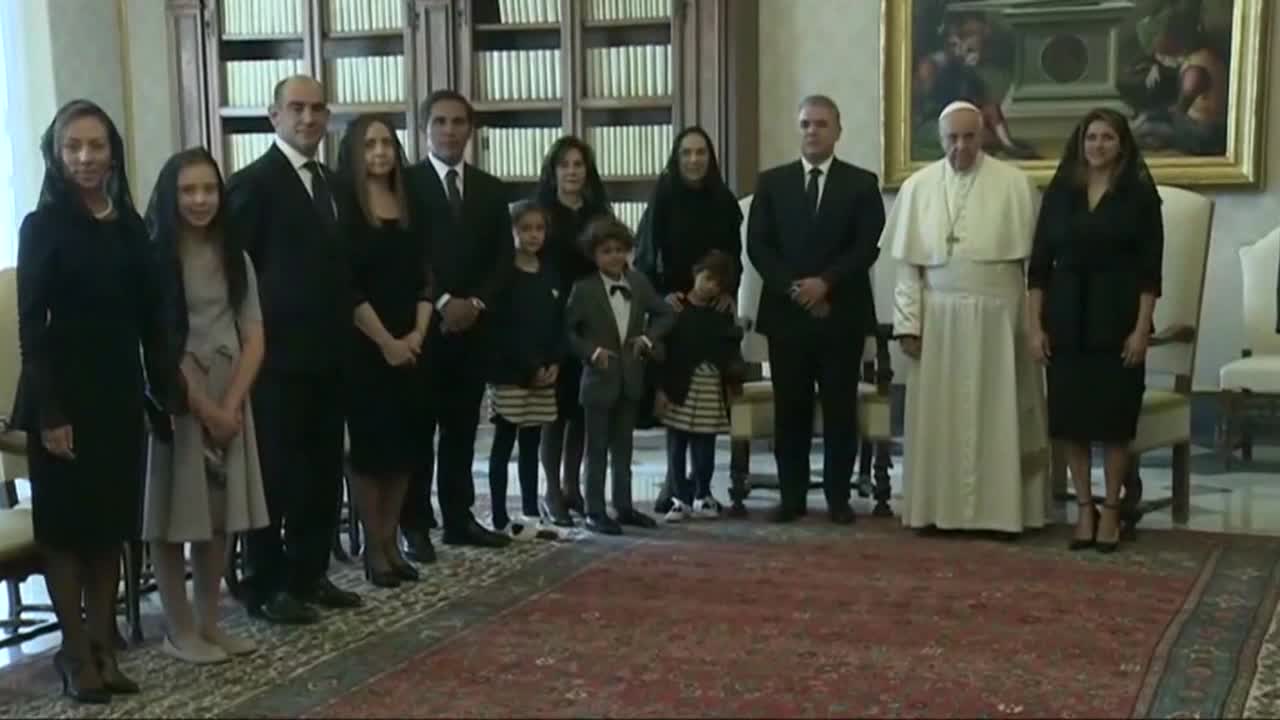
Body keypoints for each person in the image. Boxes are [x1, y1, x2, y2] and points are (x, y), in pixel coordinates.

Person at [16, 99, 171, 702]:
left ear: (113, 153)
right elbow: (32, 326)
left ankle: (104, 646)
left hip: (117, 395)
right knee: (66, 535)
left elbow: (150, 319)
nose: (85, 157)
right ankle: (75, 653)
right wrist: (50, 415)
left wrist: (163, 391)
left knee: (110, 530)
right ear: (57, 155)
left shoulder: (131, 225)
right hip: (61, 397)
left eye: (96, 146)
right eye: (73, 146)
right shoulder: (42, 225)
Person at [226, 75, 361, 624]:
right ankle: (265, 584)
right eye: (296, 108)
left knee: (321, 472)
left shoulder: (332, 183)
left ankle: (310, 573)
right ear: (273, 115)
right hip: (274, 362)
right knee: (275, 478)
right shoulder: (252, 184)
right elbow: (234, 274)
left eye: (318, 109)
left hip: (329, 358)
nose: (308, 118)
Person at [883, 100, 1050, 536]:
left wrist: (1032, 324)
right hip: (938, 320)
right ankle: (938, 510)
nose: (960, 146)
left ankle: (1005, 513)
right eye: (952, 138)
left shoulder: (1015, 184)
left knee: (1001, 412)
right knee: (942, 418)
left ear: (984, 136)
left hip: (1001, 319)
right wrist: (907, 324)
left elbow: (1035, 268)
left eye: (969, 137)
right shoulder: (918, 187)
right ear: (941, 140)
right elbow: (908, 268)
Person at [143, 148, 269, 664]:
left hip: (230, 390)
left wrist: (232, 404)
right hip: (178, 394)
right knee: (177, 516)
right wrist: (205, 409)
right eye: (188, 190)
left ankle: (210, 623)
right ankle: (178, 630)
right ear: (171, 196)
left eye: (208, 189)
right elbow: (156, 344)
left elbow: (255, 335)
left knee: (219, 516)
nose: (200, 200)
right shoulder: (156, 257)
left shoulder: (235, 255)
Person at [1028, 108, 1163, 552]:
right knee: (1072, 423)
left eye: (1107, 137)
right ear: (1080, 143)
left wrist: (1142, 329)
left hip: (1117, 319)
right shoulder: (1060, 194)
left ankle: (1110, 509)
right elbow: (1039, 268)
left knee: (1113, 422)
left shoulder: (1141, 197)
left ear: (1121, 144)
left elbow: (1150, 272)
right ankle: (1083, 508)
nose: (1098, 145)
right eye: (1091, 138)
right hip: (1065, 321)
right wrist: (1035, 326)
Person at [745, 94, 884, 525]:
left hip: (841, 313)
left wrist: (826, 284)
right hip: (787, 317)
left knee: (840, 408)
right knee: (792, 409)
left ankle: (839, 499)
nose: (812, 131)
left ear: (838, 131)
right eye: (805, 123)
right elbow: (758, 246)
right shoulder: (772, 182)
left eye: (821, 124)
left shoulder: (862, 183)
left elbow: (867, 245)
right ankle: (791, 497)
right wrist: (796, 289)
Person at [406, 89, 513, 551]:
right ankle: (414, 522)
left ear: (471, 130)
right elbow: (408, 253)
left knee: (462, 429)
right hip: (423, 327)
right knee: (418, 429)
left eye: (458, 122)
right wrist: (444, 299)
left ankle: (458, 516)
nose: (449, 130)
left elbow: (503, 258)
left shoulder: (490, 189)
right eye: (440, 122)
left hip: (475, 330)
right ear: (425, 128)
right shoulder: (405, 184)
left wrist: (475, 304)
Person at [336, 114, 434, 586]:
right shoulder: (344, 206)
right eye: (370, 144)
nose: (380, 152)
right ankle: (374, 546)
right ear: (355, 152)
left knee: (405, 450)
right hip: (364, 348)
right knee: (371, 454)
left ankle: (392, 541)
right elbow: (346, 287)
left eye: (387, 143)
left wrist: (416, 335)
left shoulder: (410, 201)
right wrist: (388, 343)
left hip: (411, 345)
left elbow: (426, 278)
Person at [634, 126, 743, 515]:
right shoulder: (663, 197)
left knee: (706, 402)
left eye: (701, 153)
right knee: (676, 398)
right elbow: (646, 255)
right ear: (676, 159)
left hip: (712, 310)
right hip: (674, 308)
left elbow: (735, 255)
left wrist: (728, 291)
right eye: (687, 154)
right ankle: (674, 485)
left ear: (710, 158)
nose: (694, 160)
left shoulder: (725, 201)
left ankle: (702, 488)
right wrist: (660, 298)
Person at [565, 216, 675, 535]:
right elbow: (568, 331)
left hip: (631, 378)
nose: (614, 256)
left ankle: (624, 506)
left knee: (624, 448)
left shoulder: (639, 283)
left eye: (619, 250)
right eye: (606, 251)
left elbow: (665, 313)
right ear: (594, 255)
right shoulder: (584, 290)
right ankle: (594, 510)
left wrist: (647, 339)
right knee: (596, 449)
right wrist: (591, 353)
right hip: (598, 381)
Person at [535, 136, 611, 526]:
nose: (571, 171)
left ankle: (572, 486)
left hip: (592, 319)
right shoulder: (541, 214)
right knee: (557, 411)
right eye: (564, 165)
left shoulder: (598, 212)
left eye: (578, 164)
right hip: (553, 316)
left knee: (583, 409)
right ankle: (550, 490)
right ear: (553, 171)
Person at [487, 200, 563, 540]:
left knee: (533, 445)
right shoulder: (503, 274)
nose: (533, 235)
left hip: (545, 374)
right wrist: (529, 366)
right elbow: (503, 328)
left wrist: (554, 363)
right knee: (504, 444)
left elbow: (559, 322)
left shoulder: (549, 273)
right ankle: (500, 516)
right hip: (510, 373)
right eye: (525, 229)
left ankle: (532, 511)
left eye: (539, 229)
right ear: (513, 232)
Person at [654, 250, 746, 521]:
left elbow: (729, 352)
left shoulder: (722, 312)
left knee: (706, 444)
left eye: (717, 283)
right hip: (679, 385)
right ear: (695, 274)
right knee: (676, 444)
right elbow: (663, 351)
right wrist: (660, 389)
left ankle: (702, 493)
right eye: (707, 278)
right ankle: (679, 497)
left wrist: (731, 388)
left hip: (710, 388)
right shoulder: (676, 308)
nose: (711, 286)